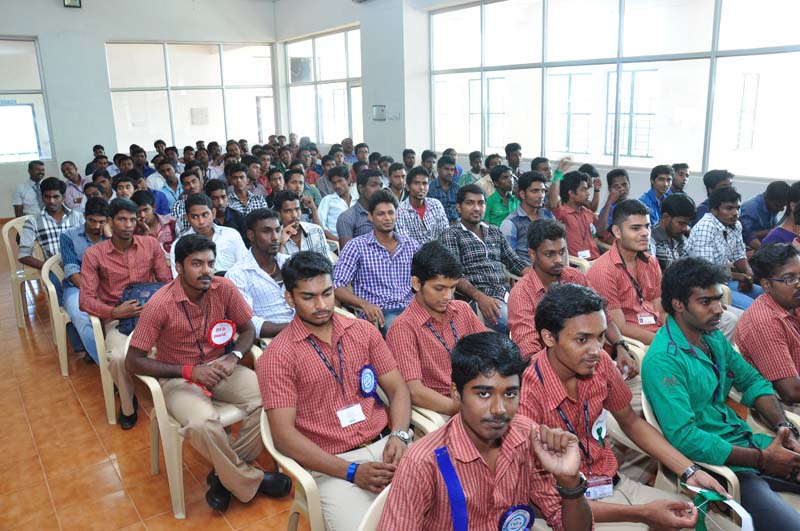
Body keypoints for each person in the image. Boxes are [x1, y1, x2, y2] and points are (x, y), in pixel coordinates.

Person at [522, 283, 735, 531]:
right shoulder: (525, 398)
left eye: (601, 336)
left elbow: (631, 422)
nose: (596, 350)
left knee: (719, 526)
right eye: (582, 339)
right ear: (549, 338)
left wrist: (689, 471)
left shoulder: (600, 363)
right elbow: (554, 507)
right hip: (572, 509)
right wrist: (643, 514)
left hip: (612, 484)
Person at [125, 234, 292, 512]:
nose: (206, 271)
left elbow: (248, 329)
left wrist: (233, 357)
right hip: (178, 377)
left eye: (210, 263)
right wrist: (190, 371)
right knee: (202, 423)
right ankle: (247, 479)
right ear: (179, 267)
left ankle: (223, 476)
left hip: (220, 366)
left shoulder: (223, 288)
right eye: (197, 264)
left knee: (268, 397)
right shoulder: (160, 304)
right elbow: (133, 361)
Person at [257, 251, 412, 531]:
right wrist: (351, 471)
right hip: (331, 466)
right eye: (309, 297)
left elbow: (398, 389)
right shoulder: (277, 357)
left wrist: (399, 436)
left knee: (444, 510)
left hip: (388, 446)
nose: (321, 305)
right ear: (290, 298)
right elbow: (284, 437)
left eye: (327, 293)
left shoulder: (363, 331)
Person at [642, 256, 800, 530]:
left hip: (748, 443)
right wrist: (763, 459)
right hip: (717, 466)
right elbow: (685, 438)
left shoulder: (711, 336)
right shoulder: (663, 361)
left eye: (718, 299)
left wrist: (783, 428)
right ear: (678, 304)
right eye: (706, 302)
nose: (719, 310)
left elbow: (752, 381)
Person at [379, 331, 593, 531]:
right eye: (483, 394)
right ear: (456, 393)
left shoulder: (528, 436)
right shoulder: (422, 463)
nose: (499, 409)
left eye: (510, 394)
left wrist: (570, 483)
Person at [80, 198, 172, 429]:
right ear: (110, 222)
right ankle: (128, 403)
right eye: (122, 219)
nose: (128, 225)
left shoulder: (150, 245)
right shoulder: (94, 254)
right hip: (118, 320)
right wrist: (115, 311)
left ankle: (174, 400)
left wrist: (156, 308)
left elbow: (167, 283)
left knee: (177, 345)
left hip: (153, 316)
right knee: (118, 358)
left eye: (132, 220)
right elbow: (85, 300)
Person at [386, 241, 485, 418]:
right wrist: (461, 408)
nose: (447, 296)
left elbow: (489, 350)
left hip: (478, 396)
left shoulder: (462, 309)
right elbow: (415, 391)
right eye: (439, 288)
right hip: (443, 410)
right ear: (417, 283)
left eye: (452, 288)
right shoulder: (403, 328)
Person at [441, 184, 529, 334]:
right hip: (478, 298)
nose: (476, 208)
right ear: (459, 207)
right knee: (513, 324)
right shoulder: (451, 234)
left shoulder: (494, 231)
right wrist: (480, 298)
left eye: (481, 203)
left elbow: (514, 261)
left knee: (540, 315)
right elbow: (454, 276)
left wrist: (536, 276)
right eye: (470, 203)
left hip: (506, 293)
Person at [334, 190, 419, 335]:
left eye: (391, 213)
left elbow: (427, 278)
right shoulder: (357, 246)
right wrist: (364, 304)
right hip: (378, 314)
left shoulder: (411, 245)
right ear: (370, 217)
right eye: (381, 214)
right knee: (401, 329)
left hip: (411, 309)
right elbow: (337, 286)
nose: (387, 218)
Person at [587, 200, 664, 346]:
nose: (645, 233)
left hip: (660, 335)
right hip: (635, 346)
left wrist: (675, 335)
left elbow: (660, 308)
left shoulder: (651, 262)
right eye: (635, 228)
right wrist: (666, 342)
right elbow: (619, 328)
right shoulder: (604, 271)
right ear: (617, 232)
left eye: (647, 226)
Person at [736, 243, 800, 414]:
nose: (799, 284)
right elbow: (791, 391)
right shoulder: (764, 323)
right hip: (787, 406)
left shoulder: (792, 303)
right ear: (766, 285)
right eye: (790, 279)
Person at [688, 186, 764, 309]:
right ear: (714, 210)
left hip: (723, 280)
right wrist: (739, 276)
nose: (735, 213)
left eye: (737, 208)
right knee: (753, 307)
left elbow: (739, 254)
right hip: (703, 285)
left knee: (765, 294)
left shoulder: (736, 224)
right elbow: (706, 270)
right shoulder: (705, 227)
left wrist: (748, 273)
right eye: (729, 208)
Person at [226, 209, 294, 339]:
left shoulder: (291, 262)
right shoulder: (237, 274)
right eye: (266, 231)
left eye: (277, 230)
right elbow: (247, 322)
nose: (275, 237)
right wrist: (294, 327)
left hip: (309, 332)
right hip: (272, 340)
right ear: (251, 235)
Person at [59, 197, 108, 364]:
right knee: (81, 317)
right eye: (92, 220)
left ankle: (119, 355)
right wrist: (93, 294)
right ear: (84, 216)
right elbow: (72, 272)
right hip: (77, 287)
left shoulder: (112, 236)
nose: (96, 226)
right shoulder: (68, 236)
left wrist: (111, 237)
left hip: (109, 285)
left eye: (101, 222)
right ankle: (104, 365)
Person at [170, 194, 248, 277]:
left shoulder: (231, 235)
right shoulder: (179, 245)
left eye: (205, 215)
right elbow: (178, 278)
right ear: (187, 218)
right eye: (195, 217)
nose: (201, 221)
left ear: (213, 213)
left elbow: (245, 267)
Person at [548, 170, 604, 260]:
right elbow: (553, 204)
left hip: (596, 260)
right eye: (583, 189)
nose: (588, 193)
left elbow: (600, 232)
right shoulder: (562, 213)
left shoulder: (588, 212)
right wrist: (558, 173)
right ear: (571, 193)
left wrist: (597, 190)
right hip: (576, 264)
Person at [500, 171, 553, 264]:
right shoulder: (510, 223)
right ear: (522, 194)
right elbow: (509, 259)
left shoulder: (547, 215)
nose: (541, 196)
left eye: (543, 191)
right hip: (527, 269)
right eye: (535, 191)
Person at [395, 166, 449, 246]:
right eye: (416, 183)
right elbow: (405, 242)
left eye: (425, 183)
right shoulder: (400, 210)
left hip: (440, 251)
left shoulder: (436, 205)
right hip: (414, 253)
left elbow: (446, 234)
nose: (421, 187)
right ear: (408, 187)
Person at [336, 168, 383, 249]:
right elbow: (347, 253)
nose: (379, 189)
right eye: (373, 185)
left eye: (380, 185)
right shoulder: (347, 217)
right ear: (361, 188)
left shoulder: (386, 214)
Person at [273, 191, 329, 257]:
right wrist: (281, 244)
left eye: (297, 209)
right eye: (288, 211)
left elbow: (326, 260)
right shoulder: (274, 237)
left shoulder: (316, 230)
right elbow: (277, 263)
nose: (294, 215)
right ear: (279, 214)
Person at [649, 193, 696, 271]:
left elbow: (694, 266)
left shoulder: (679, 237)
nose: (685, 228)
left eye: (687, 224)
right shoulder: (650, 238)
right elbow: (652, 272)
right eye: (681, 223)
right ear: (665, 217)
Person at [740, 181, 790, 250]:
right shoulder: (749, 209)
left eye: (783, 206)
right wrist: (770, 232)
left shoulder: (772, 207)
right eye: (777, 206)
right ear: (766, 198)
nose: (781, 209)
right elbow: (744, 235)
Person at [205, 179, 248, 246]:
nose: (220, 202)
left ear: (227, 197)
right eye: (214, 198)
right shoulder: (205, 220)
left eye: (223, 197)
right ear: (208, 199)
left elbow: (246, 244)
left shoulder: (239, 217)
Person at [317, 166, 353, 240]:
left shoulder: (357, 200)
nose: (337, 186)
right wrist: (336, 240)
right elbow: (320, 225)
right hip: (334, 242)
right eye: (334, 183)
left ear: (348, 180)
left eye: (340, 181)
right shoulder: (327, 200)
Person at [598, 168, 631, 241]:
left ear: (629, 185)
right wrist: (609, 201)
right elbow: (600, 233)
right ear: (610, 189)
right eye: (616, 186)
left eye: (624, 185)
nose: (622, 189)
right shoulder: (608, 209)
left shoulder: (634, 206)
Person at [427, 155, 460, 222]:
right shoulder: (431, 188)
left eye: (452, 170)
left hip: (457, 222)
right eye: (446, 169)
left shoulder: (456, 187)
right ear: (438, 169)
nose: (450, 173)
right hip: (438, 223)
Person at [171, 171, 204, 236]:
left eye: (194, 182)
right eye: (187, 184)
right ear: (183, 187)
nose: (191, 186)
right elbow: (178, 229)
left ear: (200, 183)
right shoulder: (178, 206)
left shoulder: (209, 201)